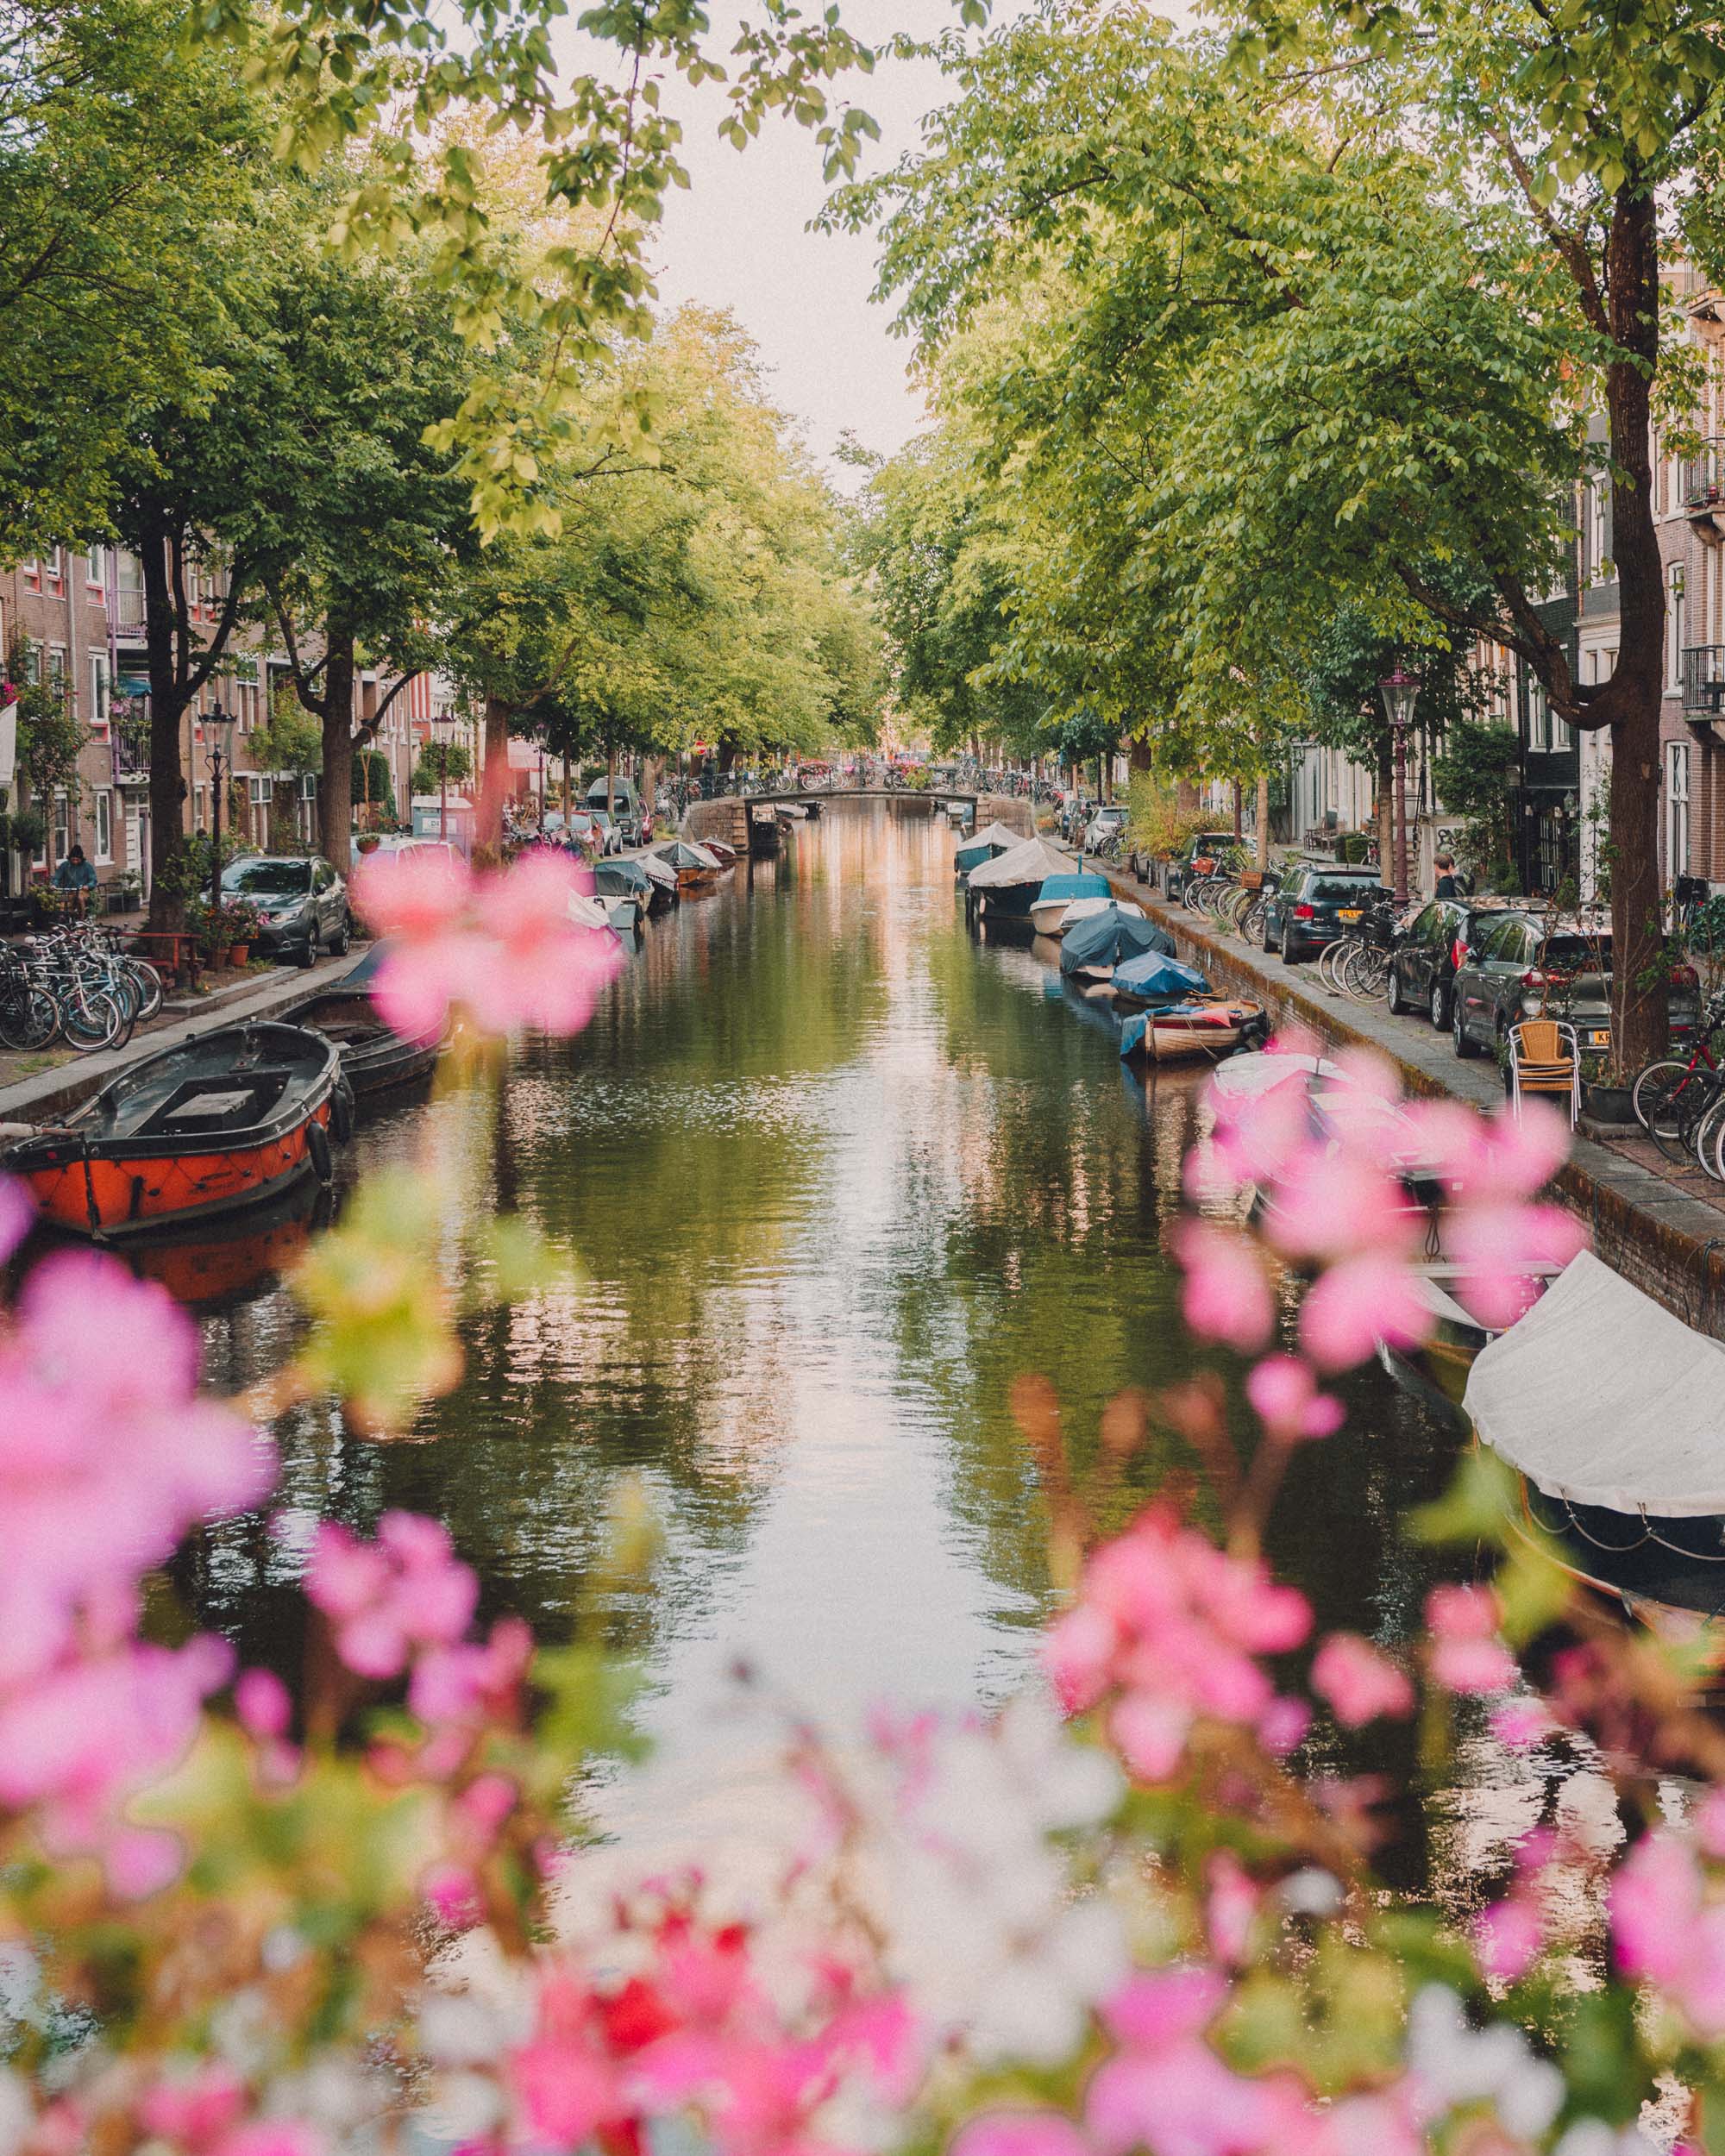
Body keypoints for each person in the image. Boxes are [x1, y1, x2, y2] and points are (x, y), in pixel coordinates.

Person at [53, 843, 97, 916]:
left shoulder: (87, 866)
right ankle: (64, 921)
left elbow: (93, 880)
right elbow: (57, 877)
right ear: (70, 858)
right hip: (68, 891)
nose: (75, 861)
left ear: (81, 859)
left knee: (79, 898)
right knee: (62, 908)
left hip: (82, 891)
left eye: (77, 860)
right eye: (73, 859)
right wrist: (54, 885)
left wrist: (88, 886)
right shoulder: (65, 865)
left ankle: (82, 918)